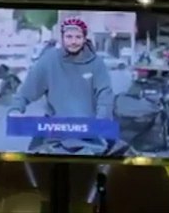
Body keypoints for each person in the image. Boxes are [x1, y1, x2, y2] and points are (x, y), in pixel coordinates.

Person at [9, 17, 115, 154]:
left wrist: (102, 121)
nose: (73, 41)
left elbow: (105, 95)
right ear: (62, 38)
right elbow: (27, 90)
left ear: (84, 39)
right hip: (54, 133)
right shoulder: (49, 60)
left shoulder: (96, 63)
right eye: (69, 37)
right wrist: (16, 109)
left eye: (78, 37)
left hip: (88, 134)